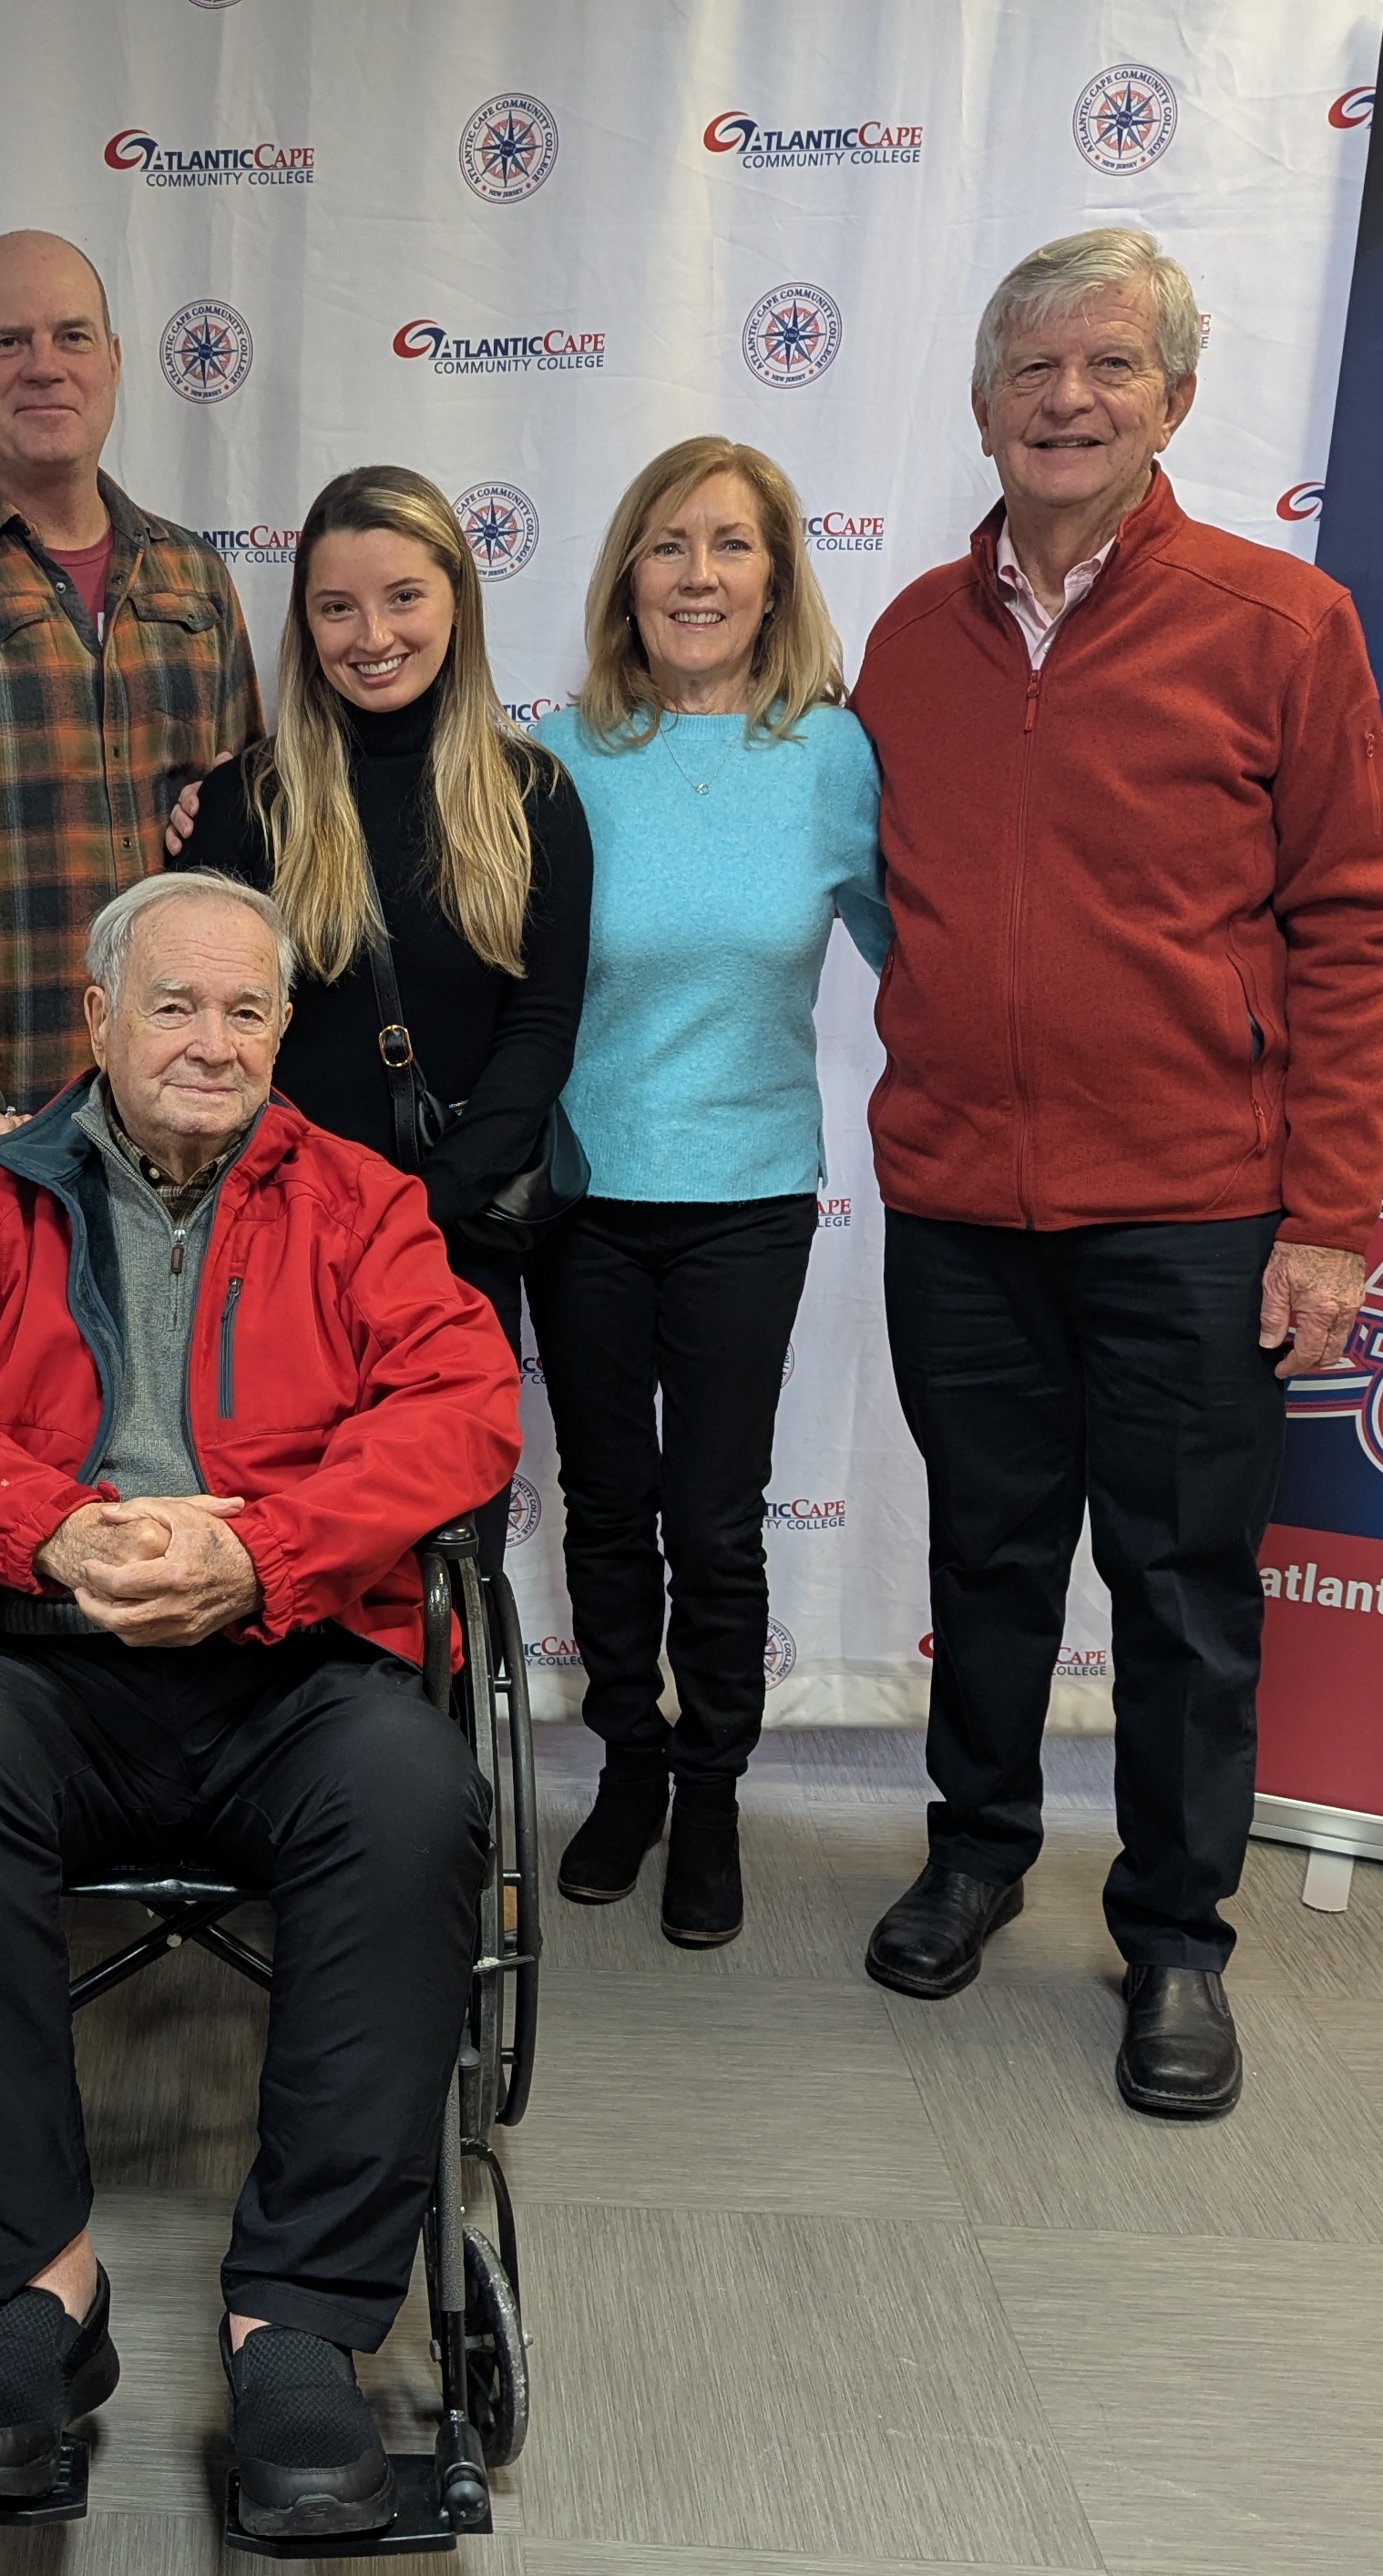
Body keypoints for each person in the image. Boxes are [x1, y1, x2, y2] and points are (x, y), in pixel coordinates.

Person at [0, 871, 521, 2539]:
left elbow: (463, 1405)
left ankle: (303, 2322)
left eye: (247, 1009)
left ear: (285, 1028)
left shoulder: (360, 1201)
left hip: (293, 1666)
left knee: (415, 1794)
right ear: (101, 1021)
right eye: (176, 1005)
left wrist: (267, 1550)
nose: (211, 1041)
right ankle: (35, 2296)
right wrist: (46, 1527)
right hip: (45, 1662)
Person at [849, 230, 1383, 2118]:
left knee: (1179, 1587)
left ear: (1172, 398)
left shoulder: (1280, 624)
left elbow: (1356, 925)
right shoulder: (911, 640)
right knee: (990, 1553)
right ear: (986, 405)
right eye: (1032, 371)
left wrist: (1329, 1220)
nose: (1067, 401)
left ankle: (1174, 1938)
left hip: (1194, 1209)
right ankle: (980, 1847)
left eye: (1107, 368)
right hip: (958, 1203)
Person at [525, 437, 887, 1947]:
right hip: (585, 1192)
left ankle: (717, 1789)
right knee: (606, 1508)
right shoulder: (555, 753)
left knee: (716, 1517)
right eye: (667, 545)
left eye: (731, 546)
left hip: (747, 1195)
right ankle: (630, 1766)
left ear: (777, 576)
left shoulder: (830, 753)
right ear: (626, 572)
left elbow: (929, 954)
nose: (697, 575)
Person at [171, 462, 588, 1465]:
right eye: (337, 608)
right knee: (287, 1552)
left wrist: (429, 1204)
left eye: (405, 597)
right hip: (277, 1251)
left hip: (458, 1246)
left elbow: (540, 1029)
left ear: (457, 601)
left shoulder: (532, 795)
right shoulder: (246, 805)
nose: (374, 637)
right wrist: (314, 1218)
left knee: (449, 1557)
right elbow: (206, 1041)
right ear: (306, 625)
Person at [0, 229, 263, 1110]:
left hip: (197, 1101)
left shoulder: (194, 576)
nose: (44, 366)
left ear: (111, 362)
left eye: (71, 337)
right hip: (18, 1109)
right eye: (7, 342)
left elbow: (250, 860)